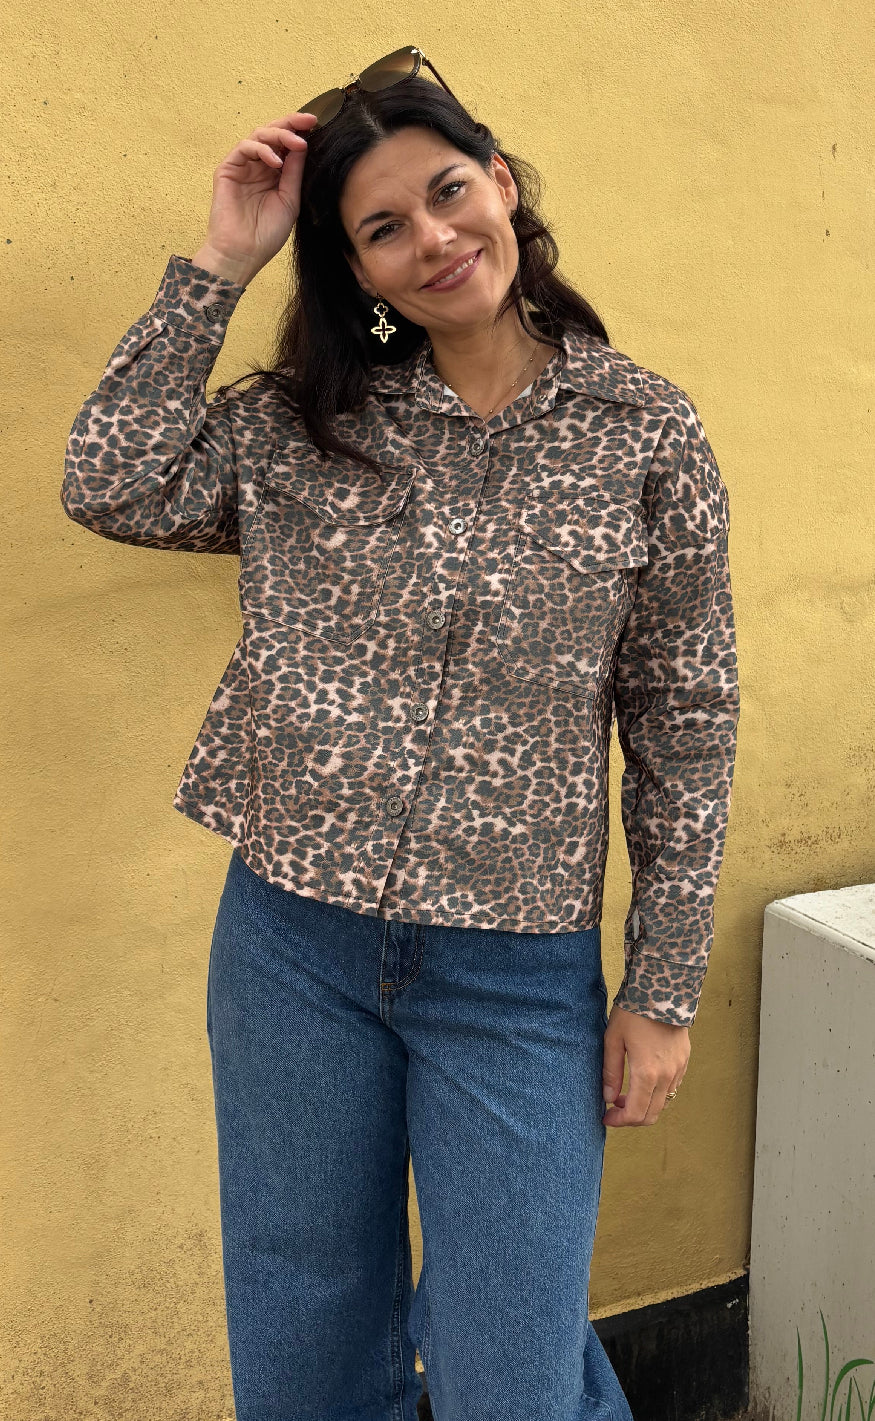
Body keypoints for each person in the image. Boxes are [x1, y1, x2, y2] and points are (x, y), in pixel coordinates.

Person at [61, 45, 740, 1421]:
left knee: (511, 1366)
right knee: (303, 1332)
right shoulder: (305, 424)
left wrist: (662, 987)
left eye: (446, 192)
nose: (432, 238)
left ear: (501, 182)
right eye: (382, 228)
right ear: (359, 271)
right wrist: (223, 260)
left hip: (514, 971)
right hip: (291, 946)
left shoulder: (643, 432)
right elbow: (112, 479)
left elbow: (687, 715)